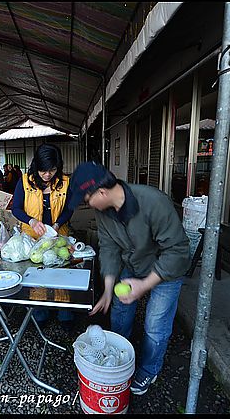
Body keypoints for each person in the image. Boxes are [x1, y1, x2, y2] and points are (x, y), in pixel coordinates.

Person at [67, 161, 190, 396]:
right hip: (132, 263)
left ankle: (148, 369)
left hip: (166, 267)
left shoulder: (153, 202)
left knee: (155, 324)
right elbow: (110, 248)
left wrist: (145, 285)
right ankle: (117, 357)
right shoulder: (103, 212)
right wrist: (107, 288)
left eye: (86, 199)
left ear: (101, 192)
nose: (87, 204)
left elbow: (177, 251)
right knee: (120, 311)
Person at [11, 143, 75, 329]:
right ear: (36, 166)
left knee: (61, 273)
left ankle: (65, 314)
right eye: (43, 171)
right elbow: (16, 208)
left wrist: (56, 224)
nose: (47, 175)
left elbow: (70, 209)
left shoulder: (65, 182)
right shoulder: (24, 181)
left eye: (52, 170)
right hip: (32, 237)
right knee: (36, 274)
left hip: (58, 236)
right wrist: (31, 221)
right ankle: (40, 313)